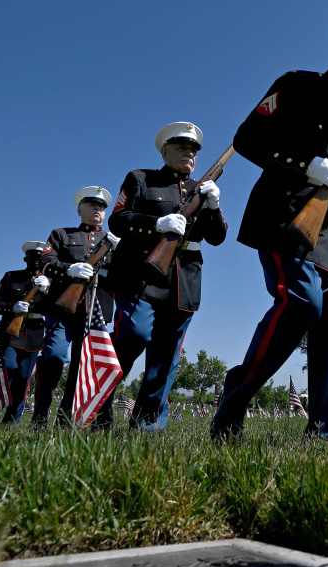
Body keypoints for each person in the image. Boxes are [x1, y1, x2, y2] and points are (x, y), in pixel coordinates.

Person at [210, 11, 328, 440]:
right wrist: (305, 165)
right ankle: (236, 395)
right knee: (301, 303)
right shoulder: (297, 85)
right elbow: (247, 139)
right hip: (283, 217)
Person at [102, 122, 226, 431]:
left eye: (194, 149)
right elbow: (117, 220)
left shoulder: (201, 188)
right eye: (182, 146)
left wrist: (214, 206)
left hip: (183, 281)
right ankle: (98, 406)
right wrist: (156, 223)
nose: (189, 152)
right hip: (140, 273)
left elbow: (217, 237)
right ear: (165, 150)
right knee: (134, 334)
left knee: (166, 355)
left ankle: (146, 424)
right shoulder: (141, 179)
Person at [31, 186, 118, 427]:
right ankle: (39, 413)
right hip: (62, 309)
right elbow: (46, 261)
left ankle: (65, 418)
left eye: (101, 207)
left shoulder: (112, 241)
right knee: (53, 356)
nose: (97, 210)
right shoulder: (62, 235)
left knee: (81, 366)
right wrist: (68, 269)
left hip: (95, 312)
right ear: (80, 209)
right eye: (91, 206)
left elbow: (121, 276)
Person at [0, 241, 51, 422]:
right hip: (10, 333)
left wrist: (48, 291)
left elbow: (58, 309)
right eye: (32, 258)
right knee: (6, 371)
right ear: (25, 259)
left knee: (23, 380)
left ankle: (11, 421)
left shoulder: (51, 282)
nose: (36, 262)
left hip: (34, 335)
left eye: (40, 259)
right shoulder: (11, 277)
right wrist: (12, 307)